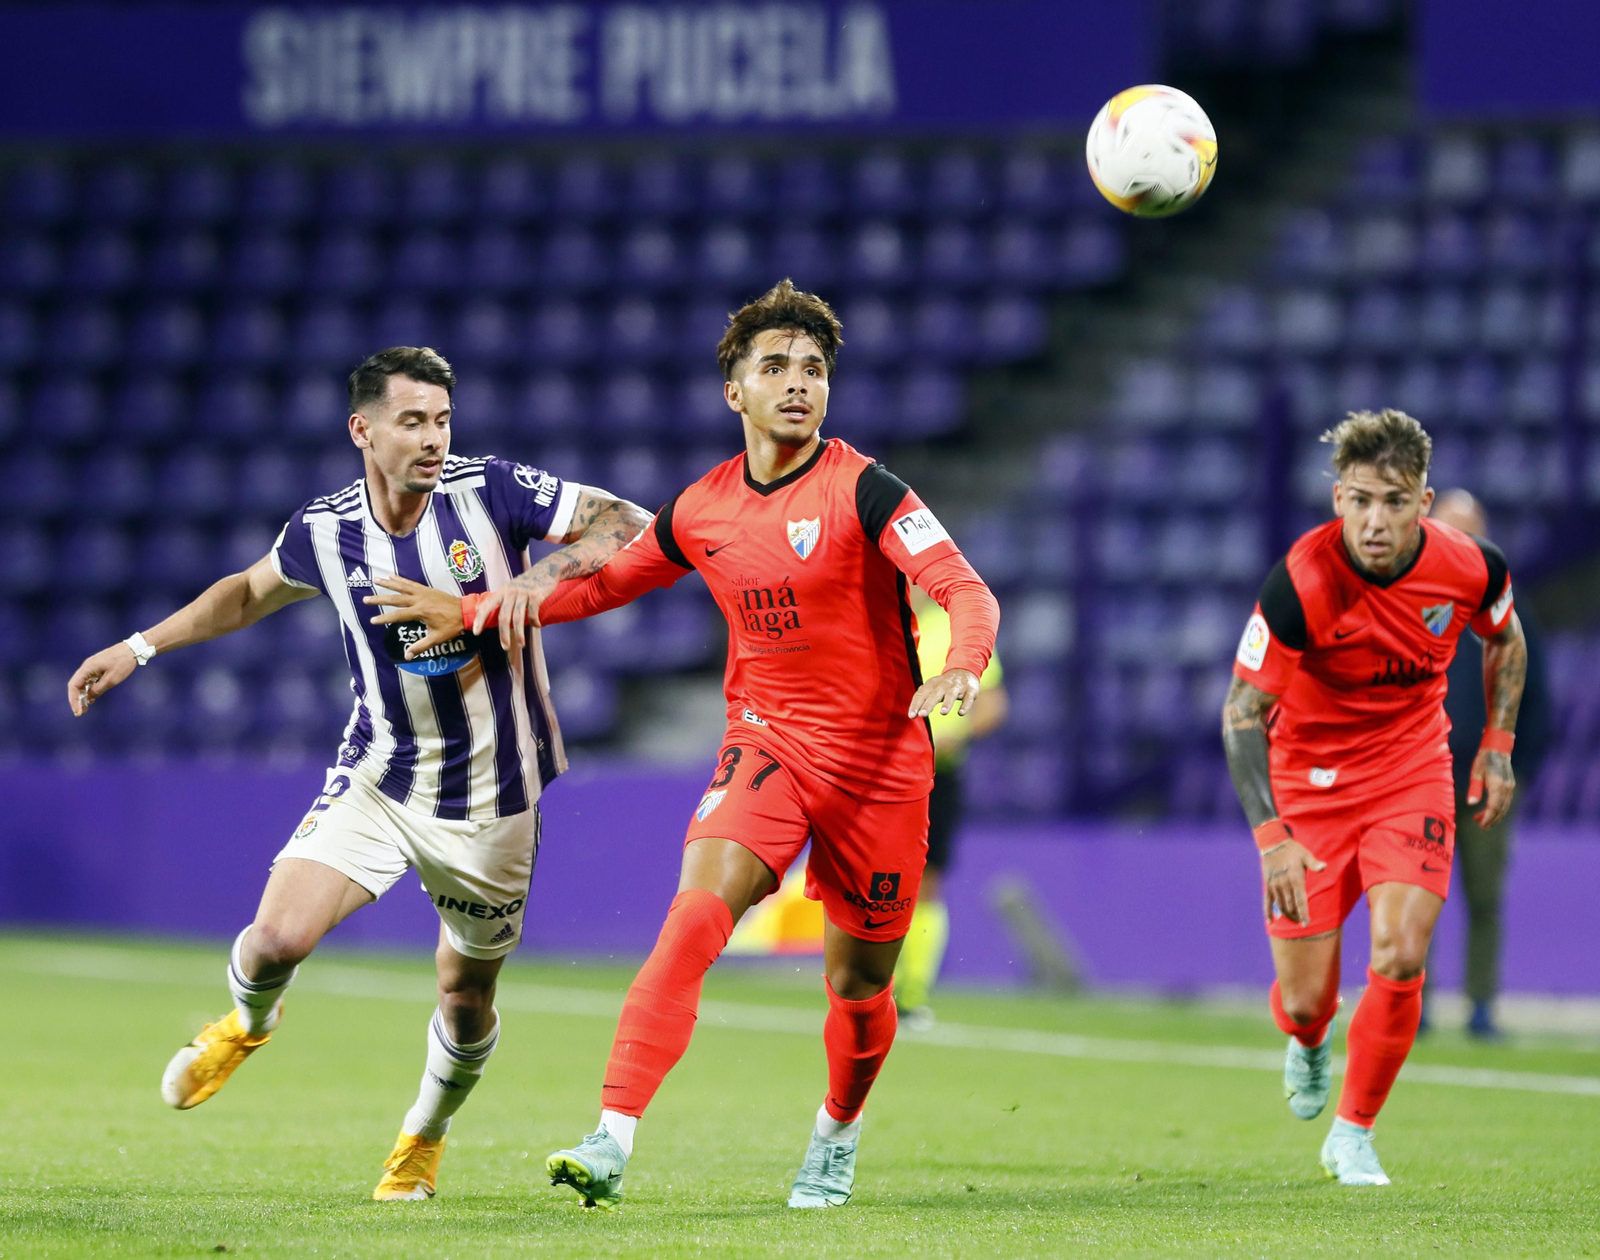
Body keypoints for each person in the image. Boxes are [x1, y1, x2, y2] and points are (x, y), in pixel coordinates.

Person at [373, 280, 1001, 1210]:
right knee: (694, 920)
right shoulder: (701, 510)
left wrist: (965, 665)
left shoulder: (867, 489)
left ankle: (837, 1129)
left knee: (860, 986)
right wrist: (471, 610)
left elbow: (965, 589)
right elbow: (601, 584)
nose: (799, 384)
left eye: (816, 370)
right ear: (734, 392)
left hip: (879, 769)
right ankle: (611, 1136)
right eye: (776, 367)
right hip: (767, 746)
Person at [65, 346, 651, 1201]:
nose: (432, 440)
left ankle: (422, 1137)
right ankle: (246, 1025)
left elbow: (626, 520)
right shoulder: (326, 529)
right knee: (273, 942)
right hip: (382, 773)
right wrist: (138, 646)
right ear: (363, 429)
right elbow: (244, 593)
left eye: (442, 420)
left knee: (464, 994)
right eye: (412, 422)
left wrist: (532, 582)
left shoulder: (488, 490)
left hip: (495, 800)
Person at [1221, 409, 1525, 1186]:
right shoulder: (1302, 580)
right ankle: (1310, 1039)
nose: (1375, 520)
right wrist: (1271, 836)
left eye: (1393, 500)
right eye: (1359, 500)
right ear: (1336, 500)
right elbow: (1241, 713)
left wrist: (1497, 744)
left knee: (1399, 950)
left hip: (1410, 768)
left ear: (1423, 503)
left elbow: (1507, 638)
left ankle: (1354, 1132)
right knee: (1305, 997)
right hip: (1309, 785)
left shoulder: (1471, 567)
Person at [1426, 490, 1550, 1039]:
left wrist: (1516, 768)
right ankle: (1411, 1005)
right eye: (1451, 530)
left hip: (1484, 784)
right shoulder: (1410, 607)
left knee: (1484, 898)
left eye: (1470, 531)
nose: (1462, 542)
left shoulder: (1508, 614)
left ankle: (1480, 1006)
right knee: (1415, 898)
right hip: (1422, 781)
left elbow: (1537, 700)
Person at [893, 585, 1008, 1030]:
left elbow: (994, 703)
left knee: (927, 882)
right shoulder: (884, 623)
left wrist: (959, 733)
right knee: (866, 876)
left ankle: (912, 992)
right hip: (882, 771)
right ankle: (865, 985)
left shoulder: (960, 633)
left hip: (939, 774)